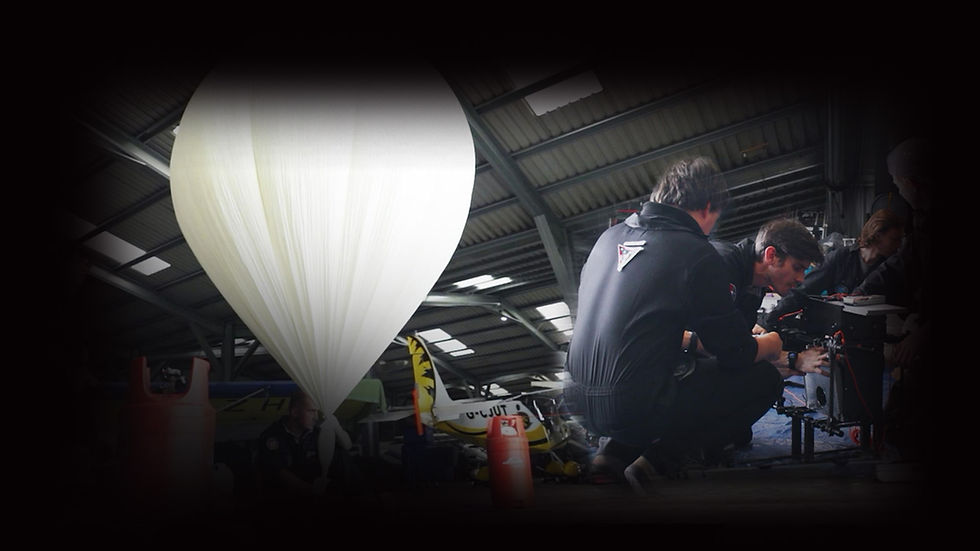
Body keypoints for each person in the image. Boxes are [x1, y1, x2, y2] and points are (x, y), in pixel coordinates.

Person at [563, 156, 786, 494]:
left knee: (657, 364)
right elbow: (734, 353)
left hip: (577, 399)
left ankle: (612, 455)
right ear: (708, 207)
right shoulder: (697, 252)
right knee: (763, 379)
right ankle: (656, 462)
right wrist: (770, 344)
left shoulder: (607, 238)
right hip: (632, 405)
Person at [706, 218, 831, 448]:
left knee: (741, 434)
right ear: (771, 255)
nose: (801, 278)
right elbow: (719, 346)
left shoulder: (753, 283)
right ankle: (686, 444)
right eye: (798, 267)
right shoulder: (722, 267)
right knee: (767, 380)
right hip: (668, 368)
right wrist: (790, 358)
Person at [850, 138, 934, 463]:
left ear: (911, 183)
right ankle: (894, 439)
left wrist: (923, 333)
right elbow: (902, 265)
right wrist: (862, 293)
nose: (899, 193)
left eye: (898, 185)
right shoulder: (924, 218)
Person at [761, 208, 906, 329]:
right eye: (894, 239)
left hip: (871, 338)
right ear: (878, 235)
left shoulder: (889, 269)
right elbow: (804, 290)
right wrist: (769, 321)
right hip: (838, 335)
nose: (898, 245)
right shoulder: (841, 258)